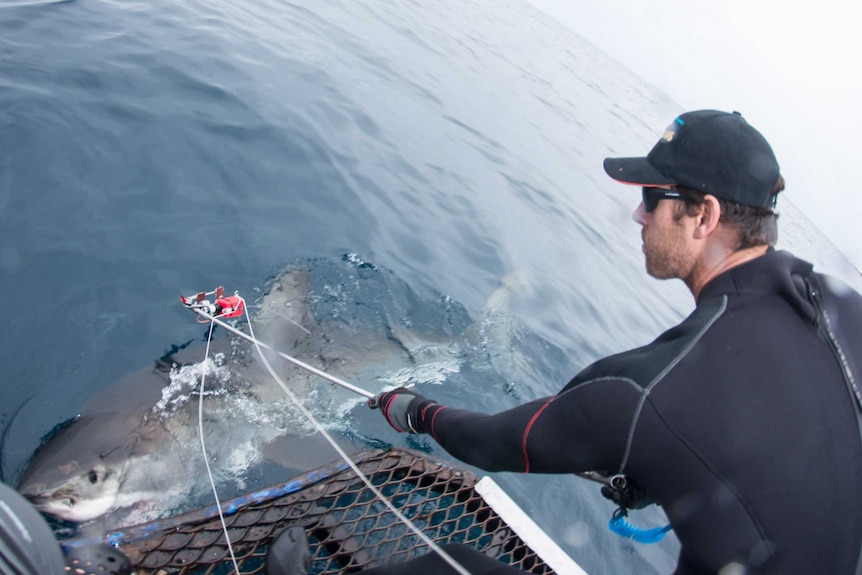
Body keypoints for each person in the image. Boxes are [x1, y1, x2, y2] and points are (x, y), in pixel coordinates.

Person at [369, 110, 862, 574]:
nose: (638, 216)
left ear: (704, 217)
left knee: (451, 565)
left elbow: (495, 442)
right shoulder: (847, 310)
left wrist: (415, 411)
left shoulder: (649, 390)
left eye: (651, 197)